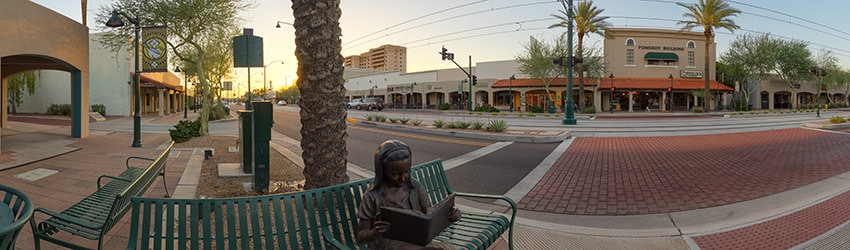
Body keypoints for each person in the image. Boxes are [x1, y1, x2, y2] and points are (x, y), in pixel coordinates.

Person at [357, 140, 461, 250]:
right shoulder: (372, 196)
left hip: (416, 242)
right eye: (395, 174)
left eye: (406, 171)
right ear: (382, 171)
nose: (402, 178)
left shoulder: (414, 187)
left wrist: (449, 214)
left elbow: (429, 214)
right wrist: (375, 232)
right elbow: (361, 237)